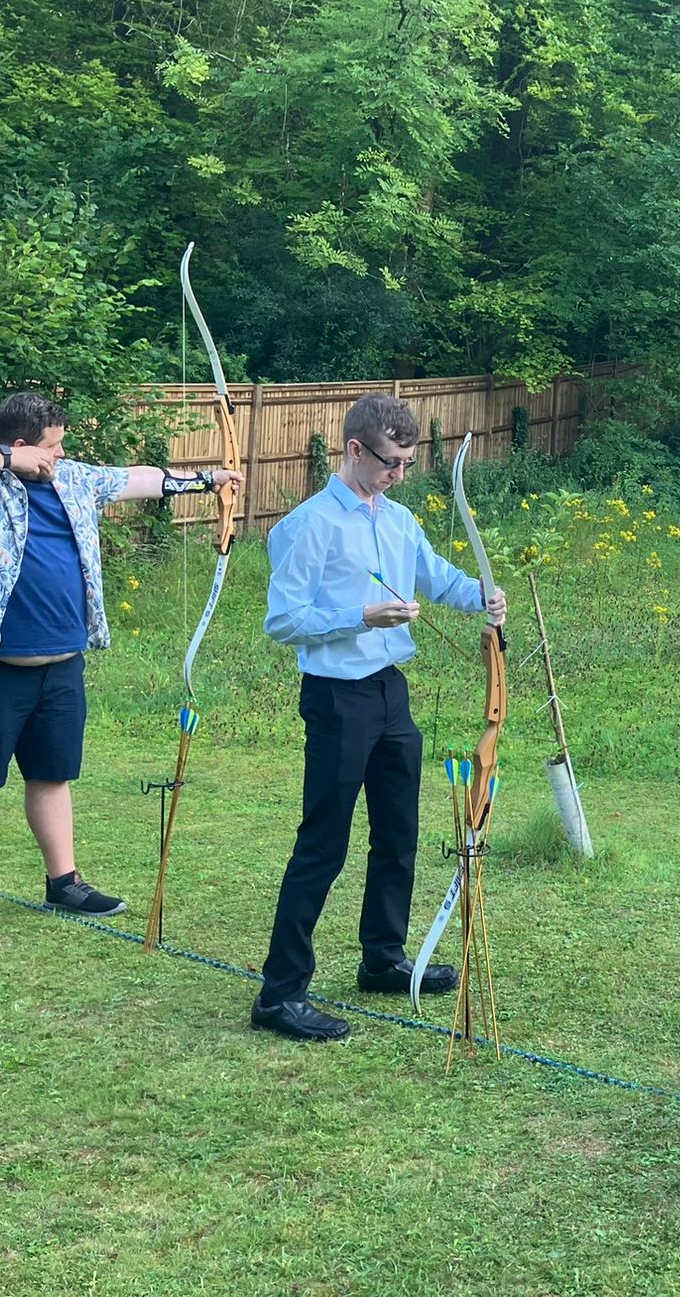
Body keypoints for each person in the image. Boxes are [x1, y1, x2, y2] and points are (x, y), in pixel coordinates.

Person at [0, 392, 241, 937]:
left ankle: (63, 881)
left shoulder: (73, 479)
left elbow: (136, 479)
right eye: (53, 446)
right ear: (22, 446)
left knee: (52, 774)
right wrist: (4, 459)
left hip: (61, 664)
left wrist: (208, 480)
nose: (61, 454)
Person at [250, 394, 508, 1041]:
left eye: (408, 463)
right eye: (391, 462)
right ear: (355, 450)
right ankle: (280, 994)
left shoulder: (398, 520)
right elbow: (283, 620)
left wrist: (482, 593)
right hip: (337, 698)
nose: (399, 473)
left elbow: (436, 576)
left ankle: (383, 959)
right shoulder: (309, 526)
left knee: (398, 833)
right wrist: (361, 616)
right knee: (323, 844)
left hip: (391, 693)